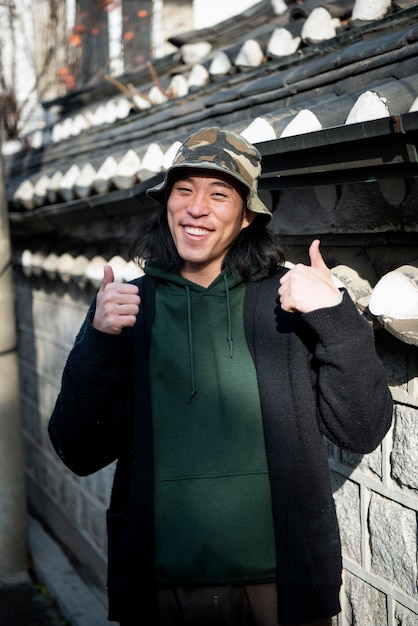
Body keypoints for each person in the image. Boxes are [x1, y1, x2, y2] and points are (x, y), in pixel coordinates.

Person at [48, 126, 393, 626]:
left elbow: (361, 428)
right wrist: (98, 342)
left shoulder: (287, 303)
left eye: (219, 194)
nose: (196, 207)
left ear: (248, 214)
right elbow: (77, 450)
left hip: (281, 586)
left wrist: (337, 315)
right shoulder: (128, 309)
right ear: (165, 204)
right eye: (183, 190)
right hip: (160, 585)